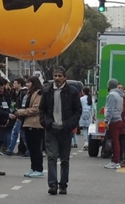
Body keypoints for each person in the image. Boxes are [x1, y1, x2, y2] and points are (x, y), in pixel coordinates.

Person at [39, 67, 82, 195]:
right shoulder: (47, 91)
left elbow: (77, 111)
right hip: (51, 129)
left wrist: (70, 124)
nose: (57, 78)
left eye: (59, 76)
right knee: (51, 157)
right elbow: (42, 110)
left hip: (65, 130)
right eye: (55, 76)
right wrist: (46, 122)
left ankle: (63, 184)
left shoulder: (72, 92)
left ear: (65, 78)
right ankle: (52, 184)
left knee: (64, 159)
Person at [15, 76, 44, 178]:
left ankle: (39, 169)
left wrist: (22, 112)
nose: (26, 84)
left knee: (36, 147)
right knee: (31, 147)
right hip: (26, 122)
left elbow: (36, 109)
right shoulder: (28, 93)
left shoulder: (39, 93)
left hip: (35, 123)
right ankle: (33, 167)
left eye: (28, 82)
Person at [103, 79, 125, 170]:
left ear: (109, 85)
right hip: (118, 119)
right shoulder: (120, 95)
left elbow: (110, 109)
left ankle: (115, 161)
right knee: (116, 141)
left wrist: (106, 121)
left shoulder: (112, 95)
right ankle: (116, 160)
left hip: (114, 120)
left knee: (115, 141)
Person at [6, 77, 25, 155]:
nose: (13, 84)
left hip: (20, 115)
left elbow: (21, 105)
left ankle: (10, 150)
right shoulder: (15, 92)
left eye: (15, 83)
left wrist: (19, 113)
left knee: (17, 133)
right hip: (17, 114)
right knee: (18, 132)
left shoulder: (23, 92)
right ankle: (10, 150)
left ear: (19, 84)